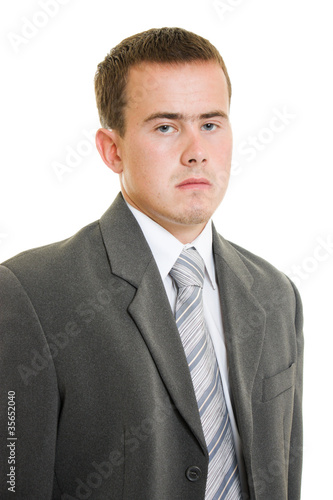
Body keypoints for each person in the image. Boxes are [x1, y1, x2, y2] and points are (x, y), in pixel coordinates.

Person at [0, 27, 303, 500]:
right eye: (166, 126)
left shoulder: (275, 293)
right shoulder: (31, 294)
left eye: (210, 123)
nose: (196, 151)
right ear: (111, 149)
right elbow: (14, 478)